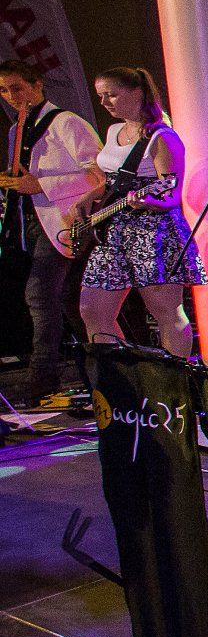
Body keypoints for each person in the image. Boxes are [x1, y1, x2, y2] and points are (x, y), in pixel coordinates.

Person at [78, 67, 202, 358]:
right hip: (112, 230)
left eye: (112, 95)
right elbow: (114, 180)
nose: (104, 102)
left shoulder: (162, 137)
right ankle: (121, 375)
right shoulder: (114, 131)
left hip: (153, 232)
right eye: (101, 96)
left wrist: (146, 202)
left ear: (137, 93)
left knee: (165, 310)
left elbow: (171, 195)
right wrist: (90, 195)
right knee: (92, 308)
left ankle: (175, 376)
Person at [0, 59, 103, 404]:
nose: (11, 96)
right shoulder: (17, 130)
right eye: (4, 90)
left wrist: (40, 184)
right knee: (73, 301)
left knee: (40, 294)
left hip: (67, 220)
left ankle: (42, 376)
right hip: (36, 223)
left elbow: (98, 175)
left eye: (17, 88)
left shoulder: (66, 123)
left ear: (37, 84)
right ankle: (102, 371)